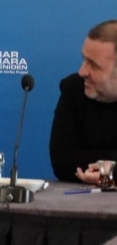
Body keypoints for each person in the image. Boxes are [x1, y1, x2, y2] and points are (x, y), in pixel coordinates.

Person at [50, 20, 117, 184]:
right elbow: (62, 162)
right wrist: (112, 163)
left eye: (93, 65)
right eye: (84, 59)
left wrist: (110, 175)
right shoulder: (73, 89)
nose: (82, 72)